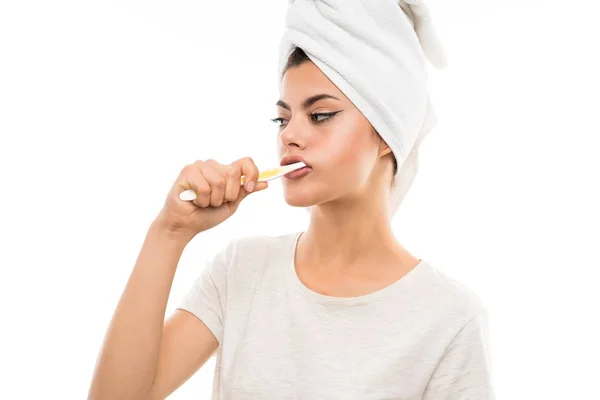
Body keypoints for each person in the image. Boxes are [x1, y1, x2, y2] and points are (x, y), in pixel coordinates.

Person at [89, 3, 494, 400]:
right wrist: (169, 233)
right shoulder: (242, 272)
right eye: (283, 119)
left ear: (388, 135)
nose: (289, 136)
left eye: (319, 115)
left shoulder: (449, 318)